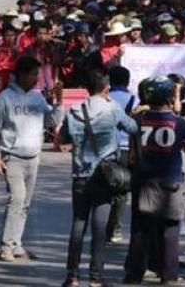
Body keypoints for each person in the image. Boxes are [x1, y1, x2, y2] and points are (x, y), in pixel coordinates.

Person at [60, 70, 138, 287]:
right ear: (106, 89)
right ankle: (96, 278)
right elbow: (133, 128)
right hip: (104, 176)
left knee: (78, 224)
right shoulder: (112, 108)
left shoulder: (75, 109)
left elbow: (62, 137)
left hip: (80, 175)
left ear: (86, 88)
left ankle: (72, 276)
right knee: (99, 228)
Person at [0, 56, 64, 261]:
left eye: (38, 75)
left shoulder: (38, 98)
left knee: (26, 203)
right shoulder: (5, 98)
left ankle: (16, 242)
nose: (36, 79)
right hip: (13, 157)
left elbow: (52, 121)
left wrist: (57, 103)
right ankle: (5, 247)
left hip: (34, 157)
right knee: (16, 200)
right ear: (21, 74)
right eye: (33, 75)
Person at [123, 76, 185, 284]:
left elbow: (132, 148)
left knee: (140, 229)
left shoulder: (138, 120)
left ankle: (134, 273)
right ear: (170, 97)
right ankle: (168, 274)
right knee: (170, 230)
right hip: (171, 181)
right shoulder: (179, 123)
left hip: (144, 180)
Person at [106, 66, 137, 244]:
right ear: (127, 81)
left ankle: (101, 225)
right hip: (126, 148)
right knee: (122, 191)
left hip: (106, 149)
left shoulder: (105, 98)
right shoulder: (133, 99)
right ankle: (115, 229)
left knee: (104, 188)